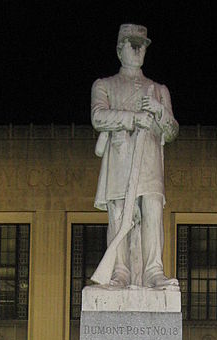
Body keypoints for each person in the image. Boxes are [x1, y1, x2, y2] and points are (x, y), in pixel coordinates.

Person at [90, 23, 179, 289]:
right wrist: (133, 118)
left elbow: (172, 130)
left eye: (142, 46)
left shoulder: (158, 90)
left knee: (152, 210)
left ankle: (154, 271)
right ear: (120, 50)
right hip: (120, 158)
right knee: (119, 214)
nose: (138, 50)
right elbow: (98, 116)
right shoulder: (105, 85)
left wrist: (158, 110)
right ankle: (120, 272)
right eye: (132, 44)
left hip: (149, 160)